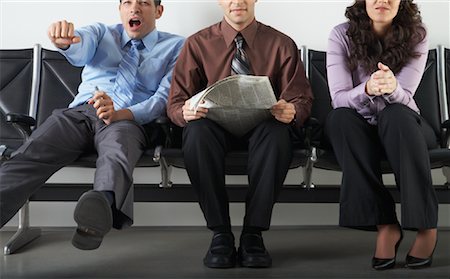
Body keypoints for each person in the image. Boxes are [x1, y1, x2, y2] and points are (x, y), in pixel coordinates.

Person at [0, 0, 184, 250]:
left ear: (158, 11)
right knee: (32, 152)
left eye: (144, 3)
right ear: (120, 10)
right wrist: (65, 42)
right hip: (80, 113)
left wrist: (122, 114)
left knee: (117, 153)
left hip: (127, 119)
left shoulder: (177, 46)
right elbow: (79, 46)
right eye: (127, 2)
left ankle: (98, 210)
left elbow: (164, 98)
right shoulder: (100, 33)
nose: (135, 8)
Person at [167, 0, 312, 268]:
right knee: (196, 132)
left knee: (277, 133)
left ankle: (252, 234)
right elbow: (176, 102)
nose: (237, 1)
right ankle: (220, 232)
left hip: (263, 126)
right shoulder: (197, 44)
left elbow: (300, 98)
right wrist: (184, 112)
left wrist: (291, 110)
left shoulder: (281, 44)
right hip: (214, 127)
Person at [325, 0, 438, 270]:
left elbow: (406, 98)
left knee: (395, 113)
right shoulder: (340, 35)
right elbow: (338, 99)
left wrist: (392, 87)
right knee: (339, 119)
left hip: (406, 128)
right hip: (362, 132)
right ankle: (386, 224)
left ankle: (425, 226)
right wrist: (367, 90)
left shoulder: (416, 34)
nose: (382, 0)